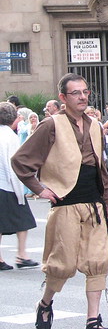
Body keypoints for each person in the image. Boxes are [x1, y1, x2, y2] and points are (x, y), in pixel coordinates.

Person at [11, 73, 108, 329]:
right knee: (62, 264)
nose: (82, 97)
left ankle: (93, 319)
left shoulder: (95, 125)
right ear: (63, 97)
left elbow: (101, 169)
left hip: (94, 205)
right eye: (76, 93)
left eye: (85, 92)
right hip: (65, 204)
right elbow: (21, 161)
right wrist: (40, 188)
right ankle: (46, 303)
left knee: (98, 261)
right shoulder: (51, 125)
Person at [0, 102, 39, 271]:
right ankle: (22, 255)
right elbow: (13, 165)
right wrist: (20, 190)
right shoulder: (10, 137)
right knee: (23, 220)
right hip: (7, 186)